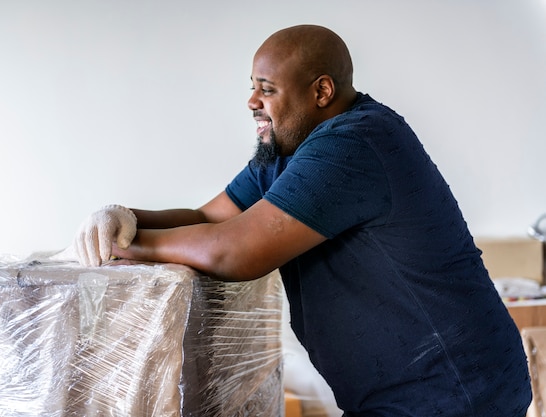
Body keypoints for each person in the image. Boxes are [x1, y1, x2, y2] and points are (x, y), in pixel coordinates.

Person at [72, 25, 532, 416]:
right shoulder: (287, 152)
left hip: (454, 391)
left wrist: (125, 246)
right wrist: (124, 217)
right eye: (252, 85)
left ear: (322, 91)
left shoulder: (354, 143)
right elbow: (207, 217)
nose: (252, 99)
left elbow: (232, 251)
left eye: (267, 89)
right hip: (404, 392)